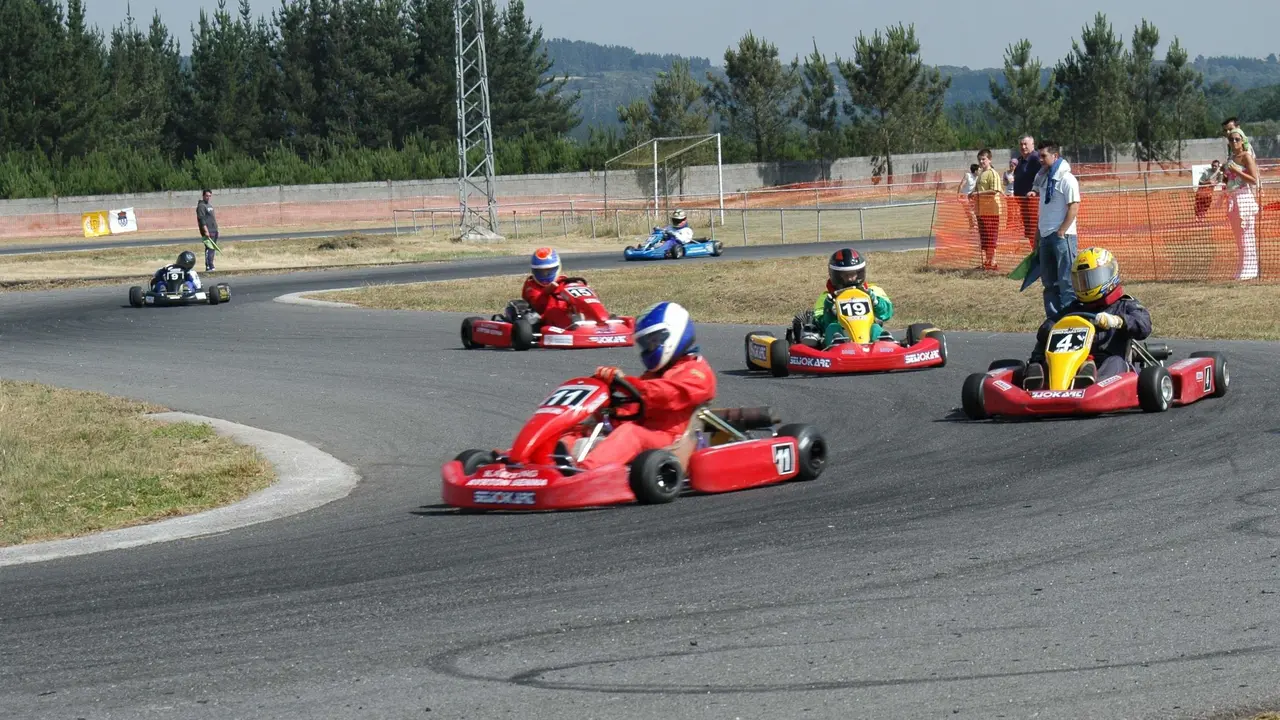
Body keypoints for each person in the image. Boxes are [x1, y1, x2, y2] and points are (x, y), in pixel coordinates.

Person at [567, 301, 717, 471]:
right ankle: (551, 464)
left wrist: (624, 383)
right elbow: (632, 410)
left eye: (653, 341)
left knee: (630, 433)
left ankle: (584, 472)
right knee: (581, 428)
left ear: (674, 334)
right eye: (645, 344)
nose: (648, 348)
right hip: (646, 436)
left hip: (671, 443)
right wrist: (606, 409)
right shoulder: (654, 374)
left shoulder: (697, 372)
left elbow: (664, 395)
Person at [1022, 247, 1152, 389]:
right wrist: (1056, 328)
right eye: (1081, 281)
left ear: (1109, 275)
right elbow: (1044, 329)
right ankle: (1036, 377)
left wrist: (1118, 321)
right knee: (1045, 353)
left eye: (1091, 279)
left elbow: (1144, 325)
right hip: (1070, 363)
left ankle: (1092, 384)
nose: (1086, 286)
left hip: (1106, 362)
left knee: (1115, 362)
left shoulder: (1124, 305)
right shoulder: (1075, 308)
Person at [795, 248, 893, 348]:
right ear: (836, 275)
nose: (850, 279)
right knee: (832, 327)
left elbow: (886, 314)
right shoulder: (826, 297)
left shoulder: (873, 291)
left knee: (875, 327)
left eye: (853, 274)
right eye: (846, 275)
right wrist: (829, 309)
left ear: (860, 273)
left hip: (866, 333)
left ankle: (884, 344)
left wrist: (875, 301)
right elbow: (823, 325)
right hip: (840, 337)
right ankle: (837, 344)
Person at [1027, 140, 1080, 320]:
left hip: (1062, 237)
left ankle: (1070, 318)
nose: (1040, 159)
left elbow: (1074, 206)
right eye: (1039, 155)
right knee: (1049, 283)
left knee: (1067, 282)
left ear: (1055, 156)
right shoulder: (1042, 178)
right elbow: (1044, 209)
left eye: (1044, 156)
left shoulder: (1067, 178)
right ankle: (1054, 319)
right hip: (1045, 235)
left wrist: (1062, 230)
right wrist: (1037, 234)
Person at [1224, 129, 1261, 280]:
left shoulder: (1246, 156)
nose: (1234, 142)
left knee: (1247, 235)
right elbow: (1228, 179)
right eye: (1231, 140)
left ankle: (1251, 269)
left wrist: (1236, 171)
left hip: (1244, 197)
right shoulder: (1231, 157)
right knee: (1239, 237)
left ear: (1243, 140)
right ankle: (1242, 267)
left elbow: (1253, 179)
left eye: (1237, 139)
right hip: (1232, 198)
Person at [517, 247, 580, 329]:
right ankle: (574, 328)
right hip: (544, 319)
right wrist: (546, 292)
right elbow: (539, 307)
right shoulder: (531, 286)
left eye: (549, 271)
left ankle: (598, 321)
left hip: (567, 314)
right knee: (554, 313)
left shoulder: (564, 282)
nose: (545, 275)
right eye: (541, 272)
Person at [972, 148, 1006, 270]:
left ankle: (993, 262)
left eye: (984, 159)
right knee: (984, 237)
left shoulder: (993, 173)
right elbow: (977, 190)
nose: (981, 161)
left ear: (990, 159)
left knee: (990, 237)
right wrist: (972, 194)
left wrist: (976, 194)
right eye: (980, 159)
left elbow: (994, 191)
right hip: (981, 211)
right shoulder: (981, 173)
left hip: (991, 211)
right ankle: (987, 262)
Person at [1012, 134, 1043, 249]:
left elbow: (1043, 177)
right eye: (1021, 144)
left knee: (1035, 230)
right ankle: (1035, 253)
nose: (1023, 147)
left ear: (1032, 145)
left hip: (1033, 202)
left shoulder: (1036, 159)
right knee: (1030, 231)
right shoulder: (1020, 160)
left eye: (1026, 144)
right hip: (1023, 203)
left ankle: (1040, 254)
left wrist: (1035, 192)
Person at [196, 189, 219, 272]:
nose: (208, 197)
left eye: (209, 196)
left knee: (212, 249)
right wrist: (205, 231)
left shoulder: (209, 205)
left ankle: (211, 265)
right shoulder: (201, 206)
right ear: (203, 196)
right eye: (207, 196)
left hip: (214, 229)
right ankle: (209, 266)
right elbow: (201, 219)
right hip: (208, 230)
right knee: (209, 248)